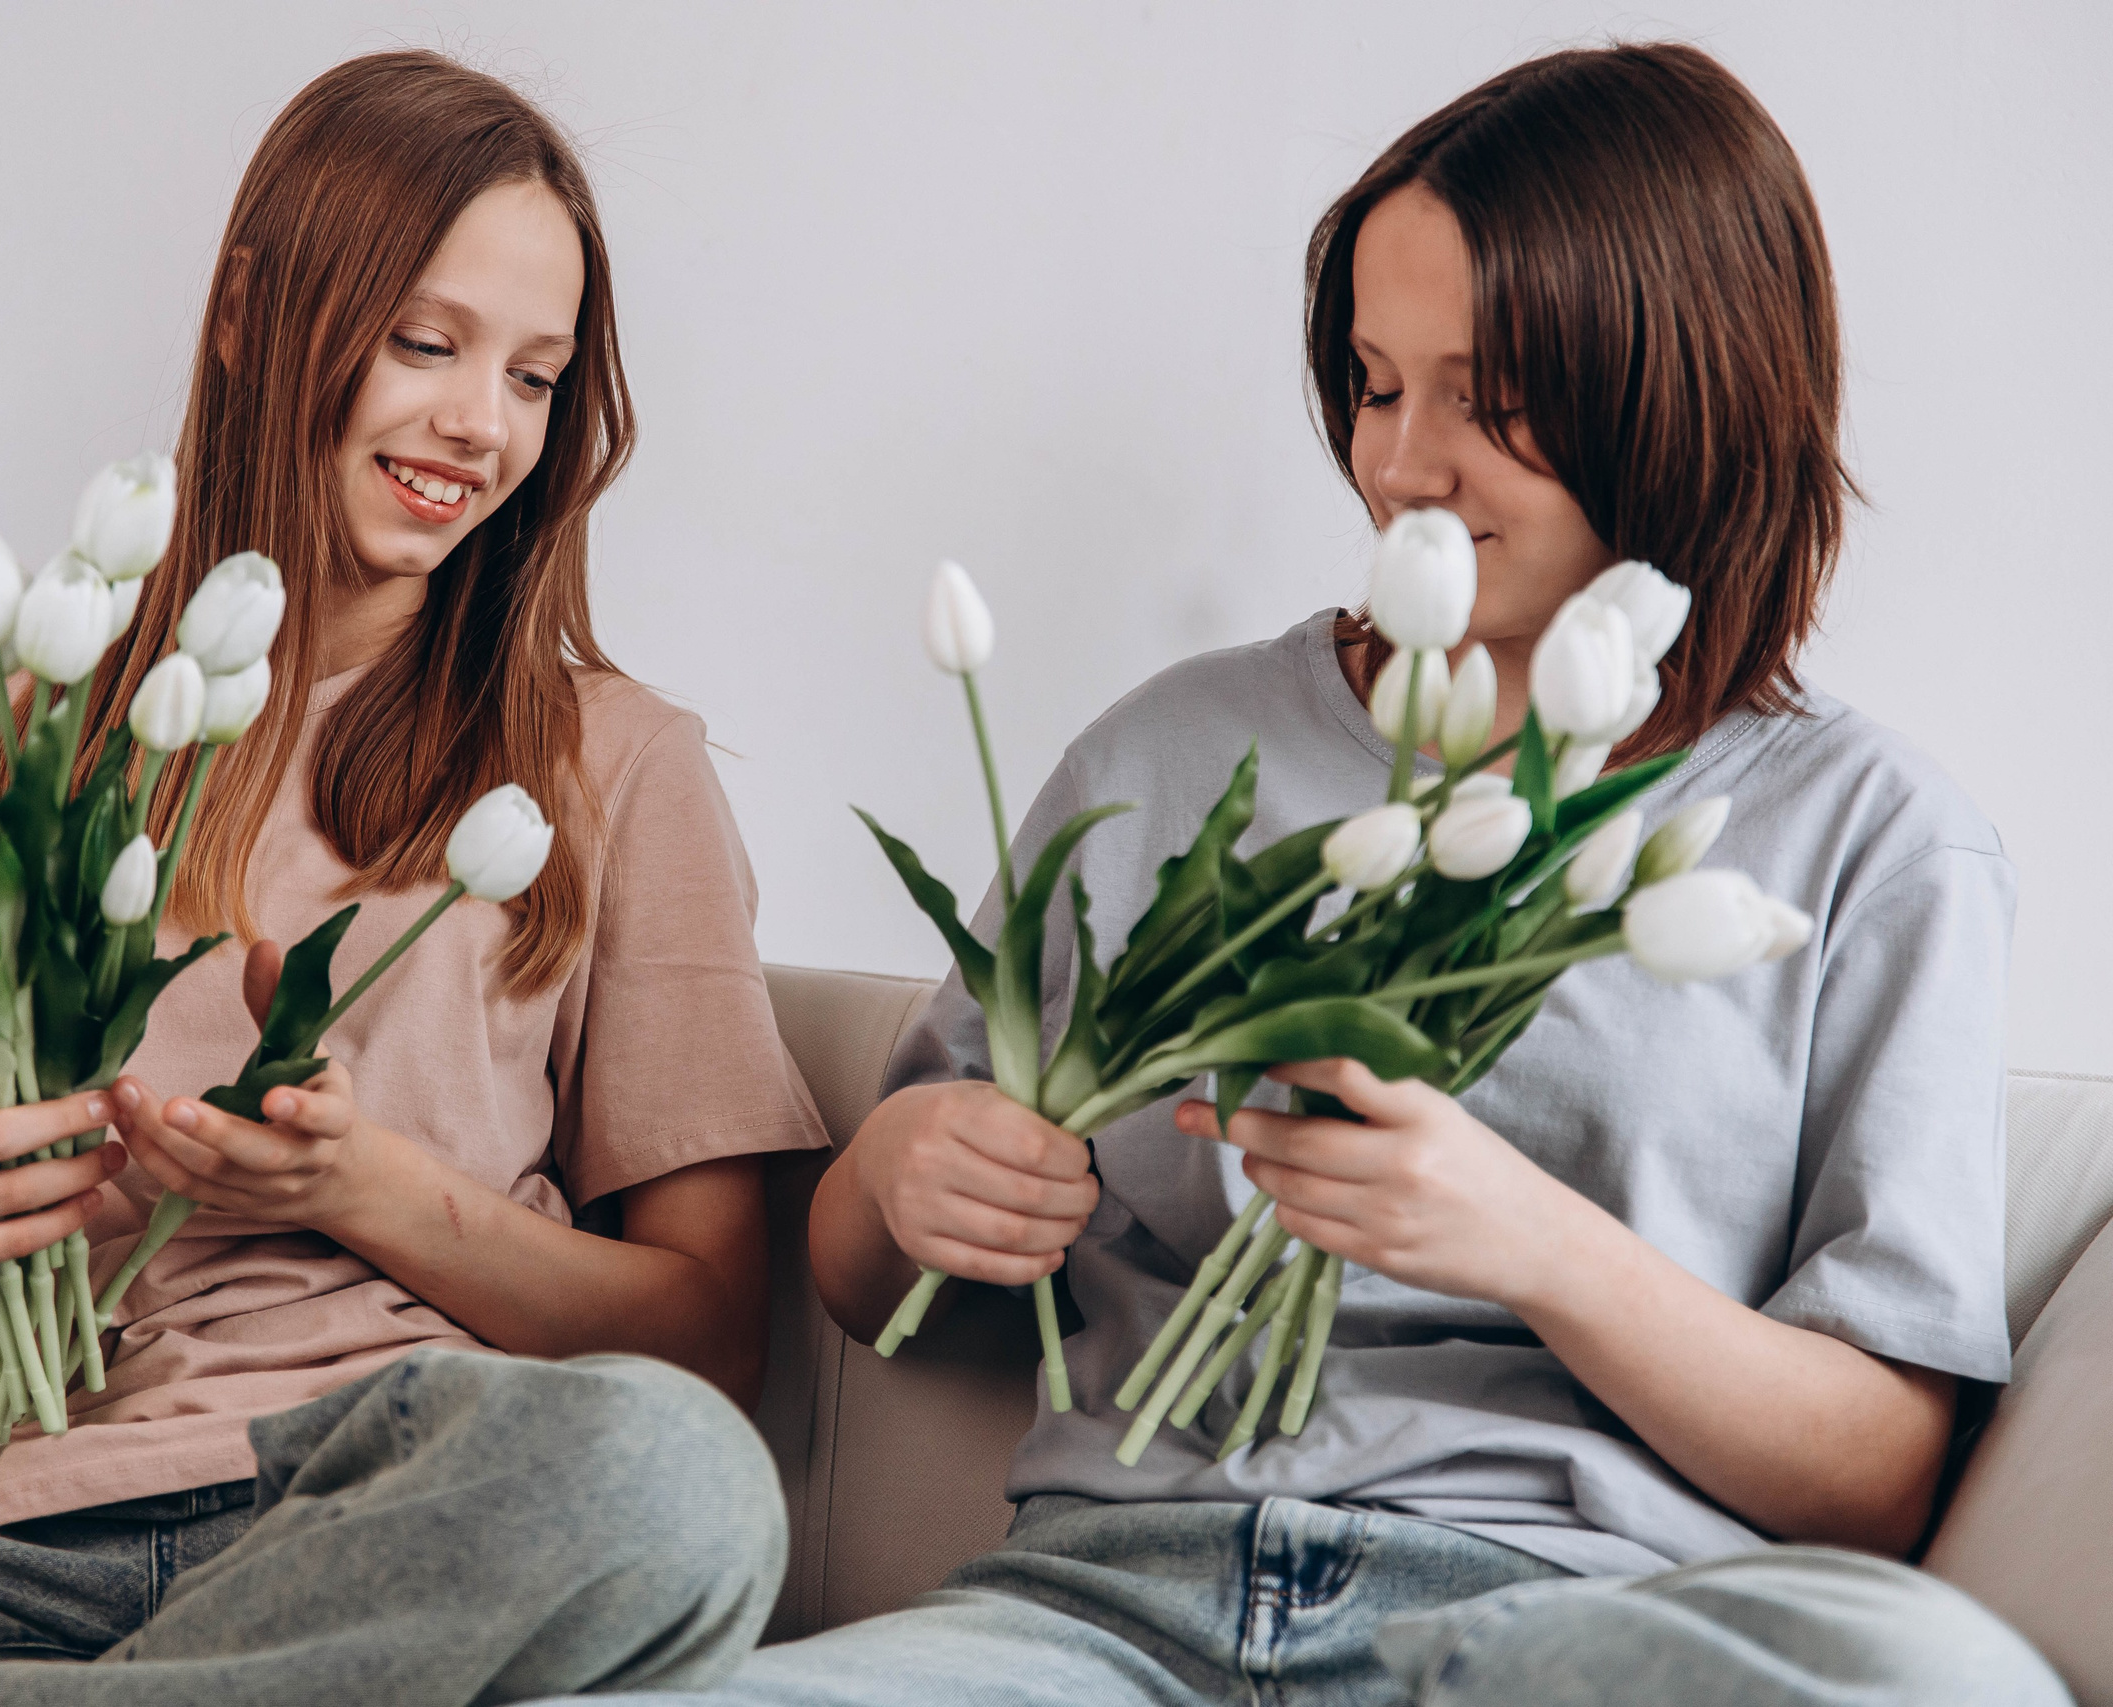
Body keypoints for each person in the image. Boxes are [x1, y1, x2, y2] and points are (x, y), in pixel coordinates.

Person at [674, 41, 2068, 1707]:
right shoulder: (1174, 755)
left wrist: (1528, 1240)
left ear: (1681, 385)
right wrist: (906, 1172)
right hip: (1101, 1611)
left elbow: (1880, 1474)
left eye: (1489, 400)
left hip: (1557, 1633)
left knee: (1941, 1680)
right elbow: (861, 1271)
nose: (1402, 466)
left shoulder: (1876, 842)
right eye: (1373, 379)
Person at [0, 51, 825, 1707]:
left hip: (369, 1506)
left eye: (534, 376)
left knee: (672, 1484)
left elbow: (711, 1335)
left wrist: (360, 1190)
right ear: (249, 315)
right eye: (424, 343)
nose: (477, 423)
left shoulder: (614, 761)